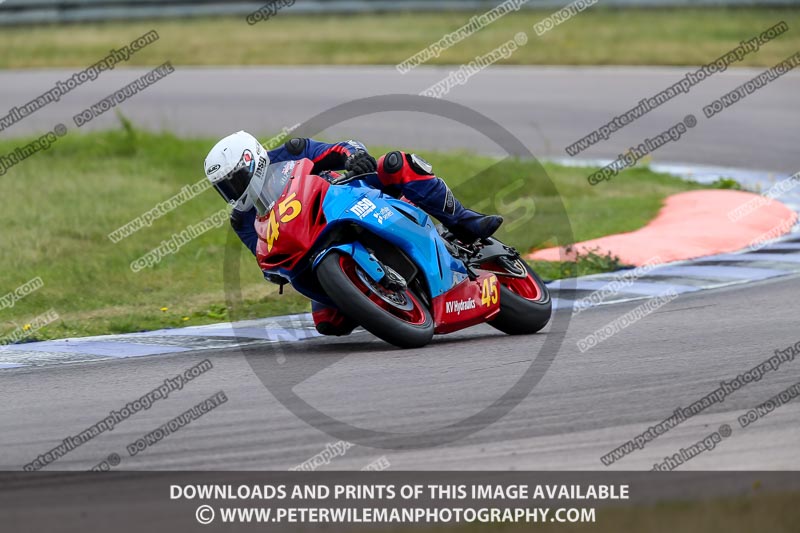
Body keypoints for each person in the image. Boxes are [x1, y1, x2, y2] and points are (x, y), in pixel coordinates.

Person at [203, 130, 502, 336]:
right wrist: (274, 271)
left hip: (355, 195)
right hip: (313, 246)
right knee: (328, 323)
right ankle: (386, 299)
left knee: (396, 163)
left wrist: (353, 158)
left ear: (251, 162)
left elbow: (341, 147)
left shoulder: (290, 153)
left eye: (235, 180)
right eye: (224, 187)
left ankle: (463, 221)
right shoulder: (243, 220)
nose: (233, 190)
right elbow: (265, 255)